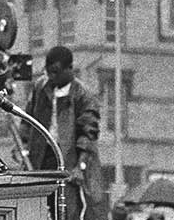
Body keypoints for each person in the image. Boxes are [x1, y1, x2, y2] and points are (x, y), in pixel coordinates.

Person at [21, 45, 105, 220]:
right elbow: (27, 118)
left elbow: (88, 136)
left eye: (56, 72)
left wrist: (80, 167)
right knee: (36, 209)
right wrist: (23, 145)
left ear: (70, 69)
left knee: (67, 211)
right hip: (41, 159)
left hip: (69, 163)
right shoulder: (40, 87)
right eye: (49, 72)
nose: (51, 77)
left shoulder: (84, 96)